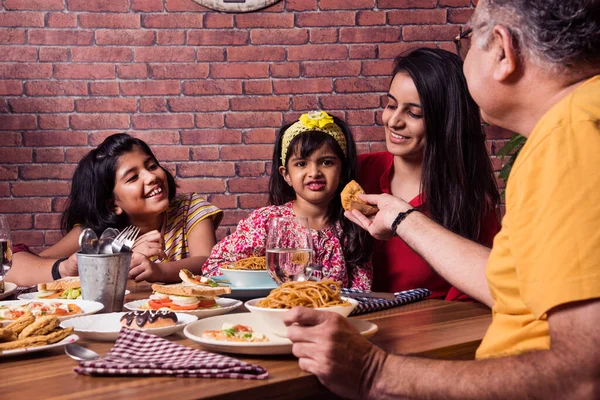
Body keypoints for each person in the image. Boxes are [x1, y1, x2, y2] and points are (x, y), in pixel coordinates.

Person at [284, 0, 600, 398]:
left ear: (501, 51)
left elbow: (583, 377)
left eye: (467, 39)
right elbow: (510, 284)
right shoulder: (579, 121)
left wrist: (373, 372)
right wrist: (401, 217)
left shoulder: (571, 137)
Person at [358, 48, 500, 300]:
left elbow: (479, 295)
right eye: (391, 105)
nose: (393, 121)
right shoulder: (355, 173)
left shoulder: (471, 201)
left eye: (414, 113)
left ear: (446, 121)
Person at [7, 133, 222, 286]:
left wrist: (158, 271)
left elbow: (206, 261)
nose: (152, 177)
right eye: (133, 177)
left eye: (152, 166)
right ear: (112, 204)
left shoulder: (189, 209)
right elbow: (20, 264)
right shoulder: (97, 233)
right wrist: (106, 262)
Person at [203, 111, 373, 289]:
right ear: (286, 175)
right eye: (301, 164)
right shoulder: (266, 222)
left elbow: (362, 290)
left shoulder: (352, 226)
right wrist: (269, 280)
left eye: (327, 162)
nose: (314, 172)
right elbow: (213, 267)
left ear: (342, 170)